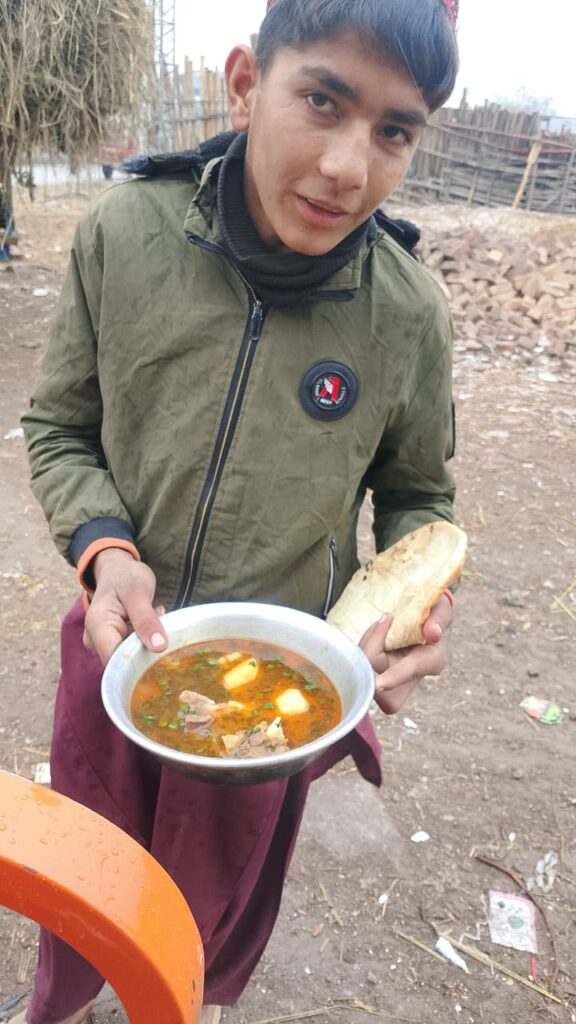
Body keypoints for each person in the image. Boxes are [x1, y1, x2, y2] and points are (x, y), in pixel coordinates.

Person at [18, 0, 460, 1021]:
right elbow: (60, 427)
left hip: (280, 696)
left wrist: (420, 604)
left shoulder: (407, 312)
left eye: (394, 131)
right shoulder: (125, 235)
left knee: (212, 903)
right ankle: (64, 999)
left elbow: (418, 495)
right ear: (245, 84)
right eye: (322, 101)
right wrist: (104, 549)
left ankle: (189, 1001)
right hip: (118, 645)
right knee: (88, 868)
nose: (348, 168)